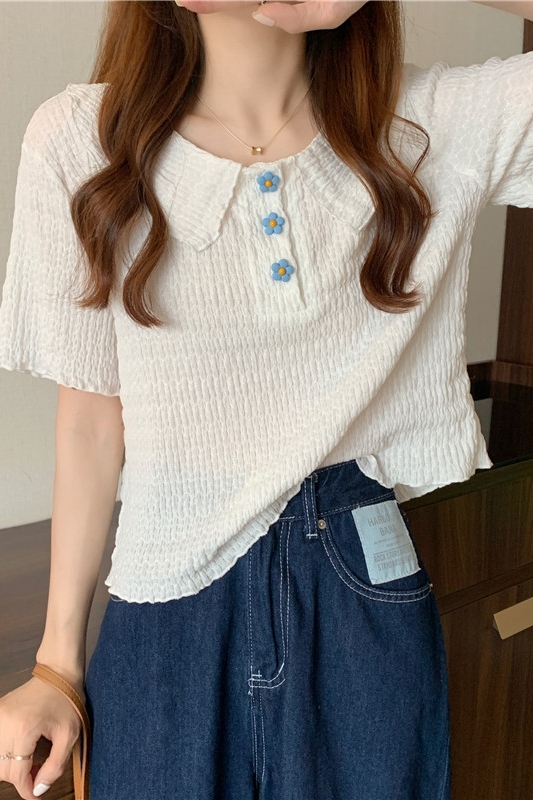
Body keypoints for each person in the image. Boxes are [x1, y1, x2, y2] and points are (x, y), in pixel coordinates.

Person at [0, 1, 532, 798]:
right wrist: (56, 665)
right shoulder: (83, 141)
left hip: (359, 583)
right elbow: (91, 418)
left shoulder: (429, 125)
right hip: (167, 593)